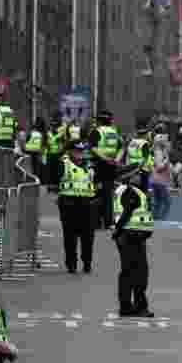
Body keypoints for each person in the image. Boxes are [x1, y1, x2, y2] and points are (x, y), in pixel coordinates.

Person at [113, 164, 154, 317]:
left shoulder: (125, 190)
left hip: (130, 236)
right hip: (131, 236)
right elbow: (127, 213)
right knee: (138, 273)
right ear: (130, 178)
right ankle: (139, 306)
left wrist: (117, 231)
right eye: (137, 174)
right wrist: (119, 229)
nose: (140, 177)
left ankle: (127, 306)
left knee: (129, 272)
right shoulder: (130, 192)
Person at [56, 141, 97, 273]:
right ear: (70, 151)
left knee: (88, 236)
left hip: (87, 203)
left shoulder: (89, 166)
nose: (79, 153)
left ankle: (87, 262)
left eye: (81, 151)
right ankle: (71, 263)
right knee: (70, 236)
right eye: (76, 151)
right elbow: (54, 175)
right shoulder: (64, 164)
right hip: (69, 203)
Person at [87, 110, 122, 229]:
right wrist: (116, 159)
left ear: (99, 121)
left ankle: (96, 222)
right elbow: (121, 147)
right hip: (111, 166)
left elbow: (92, 148)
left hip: (98, 165)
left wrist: (104, 158)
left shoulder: (96, 132)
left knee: (96, 193)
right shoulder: (114, 132)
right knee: (108, 195)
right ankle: (108, 222)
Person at [123, 122, 154, 189]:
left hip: (131, 168)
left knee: (132, 189)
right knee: (143, 190)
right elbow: (145, 158)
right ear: (145, 135)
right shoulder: (144, 143)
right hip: (141, 170)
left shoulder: (131, 142)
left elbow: (127, 155)